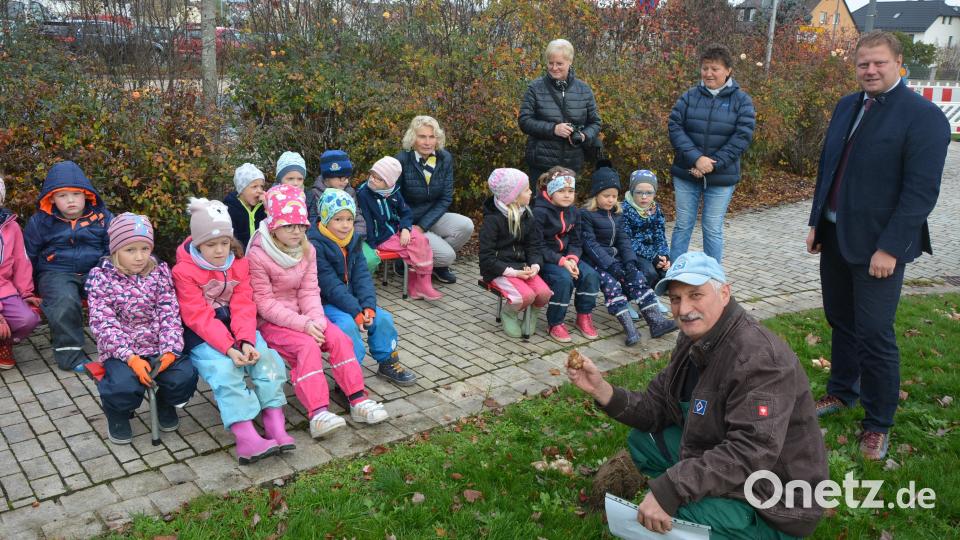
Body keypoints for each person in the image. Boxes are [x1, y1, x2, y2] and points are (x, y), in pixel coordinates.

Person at [568, 252, 829, 539]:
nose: (684, 309)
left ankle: (740, 524)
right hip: (729, 453)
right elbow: (657, 405)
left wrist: (672, 489)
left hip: (776, 497)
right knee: (644, 442)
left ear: (725, 293)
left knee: (675, 515)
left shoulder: (760, 360)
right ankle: (703, 499)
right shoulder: (696, 337)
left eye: (696, 295)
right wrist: (601, 390)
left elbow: (750, 452)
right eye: (676, 299)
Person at [806, 31, 950, 460]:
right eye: (863, 64)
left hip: (879, 248)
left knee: (874, 334)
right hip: (835, 236)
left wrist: (890, 247)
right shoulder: (847, 105)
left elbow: (921, 192)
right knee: (840, 321)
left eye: (879, 63)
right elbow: (828, 166)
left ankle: (878, 422)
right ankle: (841, 392)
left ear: (899, 63)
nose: (869, 70)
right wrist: (816, 222)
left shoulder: (923, 117)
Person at [247, 185, 388, 438]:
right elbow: (265, 304)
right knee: (307, 347)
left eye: (301, 226)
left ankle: (356, 399)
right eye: (289, 226)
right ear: (273, 226)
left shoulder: (307, 249)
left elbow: (310, 290)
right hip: (273, 322)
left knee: (338, 338)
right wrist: (304, 325)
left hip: (306, 316)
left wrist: (317, 320)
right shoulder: (258, 255)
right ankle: (317, 413)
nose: (296, 232)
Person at [172, 197, 291, 465]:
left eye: (224, 243)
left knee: (267, 359)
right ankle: (246, 436)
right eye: (210, 245)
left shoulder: (239, 262)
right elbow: (198, 316)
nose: (218, 250)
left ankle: (274, 422)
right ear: (197, 243)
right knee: (226, 371)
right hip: (202, 335)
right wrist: (229, 348)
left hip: (240, 329)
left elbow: (244, 304)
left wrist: (246, 340)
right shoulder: (183, 271)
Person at [85, 213, 198, 445]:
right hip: (121, 351)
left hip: (158, 345)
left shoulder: (159, 273)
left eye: (145, 249)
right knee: (123, 386)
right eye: (130, 250)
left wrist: (170, 350)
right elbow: (103, 323)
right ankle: (117, 411)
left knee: (184, 376)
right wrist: (130, 358)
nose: (139, 257)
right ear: (116, 250)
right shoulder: (102, 278)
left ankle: (165, 401)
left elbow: (170, 313)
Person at [309, 189, 418, 386]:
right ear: (325, 218)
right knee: (347, 326)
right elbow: (329, 286)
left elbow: (362, 277)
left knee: (383, 318)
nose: (345, 225)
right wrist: (356, 312)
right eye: (338, 219)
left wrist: (368, 307)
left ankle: (387, 362)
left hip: (352, 301)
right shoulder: (314, 245)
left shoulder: (353, 240)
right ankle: (348, 374)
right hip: (326, 303)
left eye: (349, 219)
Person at [668, 43, 755, 263]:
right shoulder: (689, 96)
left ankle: (713, 278)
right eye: (705, 68)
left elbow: (741, 137)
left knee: (712, 228)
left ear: (728, 71)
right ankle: (674, 274)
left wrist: (711, 164)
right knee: (682, 225)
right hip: (687, 171)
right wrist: (696, 159)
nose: (708, 73)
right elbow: (675, 127)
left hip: (721, 177)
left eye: (714, 69)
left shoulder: (742, 101)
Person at [24, 160, 112, 372]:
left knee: (115, 293)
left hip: (96, 268)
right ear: (51, 199)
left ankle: (121, 346)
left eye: (76, 194)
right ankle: (70, 356)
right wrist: (29, 288)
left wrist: (103, 268)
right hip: (55, 272)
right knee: (64, 300)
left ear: (87, 195)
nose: (70, 200)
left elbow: (114, 248)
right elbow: (28, 256)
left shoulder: (102, 218)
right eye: (62, 196)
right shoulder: (40, 222)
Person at [580, 166, 677, 345]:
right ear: (596, 195)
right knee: (612, 286)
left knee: (638, 277)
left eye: (614, 196)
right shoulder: (586, 215)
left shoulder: (617, 214)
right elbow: (591, 245)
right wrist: (612, 266)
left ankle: (656, 323)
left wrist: (630, 263)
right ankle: (630, 330)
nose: (610, 200)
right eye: (606, 196)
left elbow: (624, 241)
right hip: (596, 262)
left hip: (615, 259)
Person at [395, 116, 475, 284]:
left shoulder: (444, 158)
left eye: (432, 137)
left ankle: (437, 267)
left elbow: (446, 198)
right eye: (422, 136)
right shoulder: (402, 160)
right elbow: (395, 199)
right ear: (413, 138)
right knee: (448, 256)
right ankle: (404, 261)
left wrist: (423, 226)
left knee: (466, 225)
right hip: (408, 222)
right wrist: (409, 226)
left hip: (431, 218)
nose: (427, 142)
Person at [478, 168, 552, 339]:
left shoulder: (527, 214)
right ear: (514, 196)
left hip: (522, 267)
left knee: (543, 293)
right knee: (525, 296)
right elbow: (486, 258)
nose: (531, 192)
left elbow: (533, 246)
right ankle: (509, 313)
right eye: (526, 190)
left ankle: (531, 313)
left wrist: (535, 265)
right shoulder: (493, 221)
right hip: (498, 270)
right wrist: (513, 272)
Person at [357, 156, 442, 301]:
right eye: (372, 175)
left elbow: (406, 212)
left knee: (422, 240)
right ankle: (418, 286)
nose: (372, 180)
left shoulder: (394, 192)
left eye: (378, 178)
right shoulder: (364, 194)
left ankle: (421, 284)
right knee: (414, 249)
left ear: (389, 182)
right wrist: (372, 245)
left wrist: (405, 228)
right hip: (381, 238)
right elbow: (368, 222)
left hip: (396, 231)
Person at [519, 38, 602, 188]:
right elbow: (524, 121)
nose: (554, 68)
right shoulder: (535, 88)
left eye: (559, 64)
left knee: (565, 208)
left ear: (570, 62)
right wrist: (553, 129)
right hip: (541, 165)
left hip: (571, 165)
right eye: (551, 63)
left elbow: (595, 122)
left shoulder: (584, 90)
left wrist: (584, 136)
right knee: (541, 208)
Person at [531, 167, 600, 342]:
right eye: (561, 191)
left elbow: (577, 241)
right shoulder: (539, 212)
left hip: (567, 258)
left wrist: (572, 258)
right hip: (546, 260)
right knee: (563, 280)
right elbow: (537, 246)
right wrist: (562, 261)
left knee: (591, 275)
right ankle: (555, 322)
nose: (567, 195)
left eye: (571, 191)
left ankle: (583, 315)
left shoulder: (574, 211)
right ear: (551, 191)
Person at [306, 149, 379, 273]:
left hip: (351, 237)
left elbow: (357, 216)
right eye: (341, 178)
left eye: (347, 178)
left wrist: (357, 237)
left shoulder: (349, 192)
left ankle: (357, 286)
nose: (345, 181)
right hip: (328, 241)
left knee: (370, 259)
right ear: (327, 177)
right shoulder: (315, 194)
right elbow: (316, 222)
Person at [0, 177, 41, 369]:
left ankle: (3, 343)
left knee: (28, 319)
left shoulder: (11, 227)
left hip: (4, 288)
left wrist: (26, 293)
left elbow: (21, 262)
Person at [621, 169, 671, 290]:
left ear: (654, 193)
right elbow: (628, 240)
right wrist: (653, 257)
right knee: (650, 273)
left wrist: (664, 255)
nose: (644, 197)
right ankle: (649, 296)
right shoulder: (624, 210)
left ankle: (659, 290)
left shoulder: (655, 208)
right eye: (639, 192)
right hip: (634, 252)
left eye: (649, 193)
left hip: (653, 250)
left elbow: (660, 235)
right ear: (632, 192)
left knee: (668, 271)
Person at [223, 162, 267, 249]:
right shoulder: (230, 209)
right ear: (241, 189)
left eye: (261, 186)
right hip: (240, 256)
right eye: (254, 187)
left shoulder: (263, 206)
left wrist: (267, 207)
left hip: (260, 255)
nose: (260, 190)